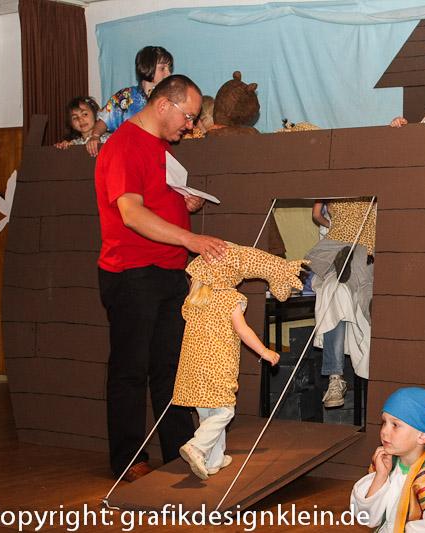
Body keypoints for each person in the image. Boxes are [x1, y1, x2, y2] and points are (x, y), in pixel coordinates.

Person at [94, 74, 228, 482]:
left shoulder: (161, 148)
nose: (190, 125)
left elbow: (155, 200)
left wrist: (183, 202)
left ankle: (177, 451)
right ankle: (128, 459)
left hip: (169, 271)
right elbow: (132, 214)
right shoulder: (123, 145)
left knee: (171, 369)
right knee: (131, 369)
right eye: (188, 116)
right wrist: (191, 238)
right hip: (132, 271)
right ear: (164, 105)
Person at [173, 243, 306, 479]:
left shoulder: (193, 302)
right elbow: (243, 331)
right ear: (230, 273)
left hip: (192, 371)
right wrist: (264, 351)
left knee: (208, 416)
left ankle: (213, 460)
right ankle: (197, 447)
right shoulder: (229, 299)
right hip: (217, 367)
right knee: (224, 412)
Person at [351, 387, 425, 532]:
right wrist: (380, 477)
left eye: (395, 425)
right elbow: (367, 519)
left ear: (422, 436)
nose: (384, 431)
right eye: (384, 422)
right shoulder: (388, 462)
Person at [306, 198, 376, 408]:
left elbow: (316, 214)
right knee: (335, 291)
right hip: (353, 245)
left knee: (337, 291)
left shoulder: (333, 187)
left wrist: (333, 225)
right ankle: (335, 377)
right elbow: (316, 214)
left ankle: (335, 377)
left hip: (352, 246)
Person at [85, 46, 174, 156]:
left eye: (169, 68)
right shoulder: (126, 96)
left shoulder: (171, 99)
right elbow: (104, 119)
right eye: (162, 68)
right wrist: (95, 136)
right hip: (127, 156)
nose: (168, 73)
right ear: (147, 68)